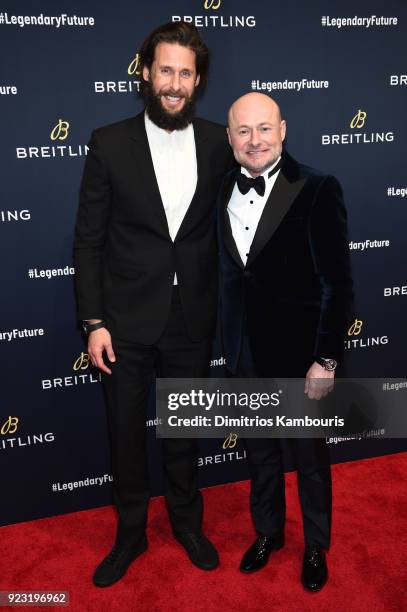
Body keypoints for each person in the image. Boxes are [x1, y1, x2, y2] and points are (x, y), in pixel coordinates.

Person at [73, 21, 233, 587]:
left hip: (192, 316)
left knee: (184, 429)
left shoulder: (220, 142)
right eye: (165, 70)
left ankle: (189, 525)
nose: (174, 83)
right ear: (145, 72)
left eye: (185, 73)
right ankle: (131, 534)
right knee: (124, 431)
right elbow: (88, 239)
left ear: (198, 81)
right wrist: (93, 321)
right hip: (123, 322)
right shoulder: (108, 141)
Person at [217, 92, 353, 591]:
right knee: (260, 454)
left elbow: (337, 283)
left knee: (309, 461)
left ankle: (316, 544)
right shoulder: (220, 191)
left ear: (283, 130)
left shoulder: (317, 188)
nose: (255, 141)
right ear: (230, 138)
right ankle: (267, 533)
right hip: (244, 351)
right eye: (244, 131)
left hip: (301, 357)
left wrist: (326, 358)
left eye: (265, 128)